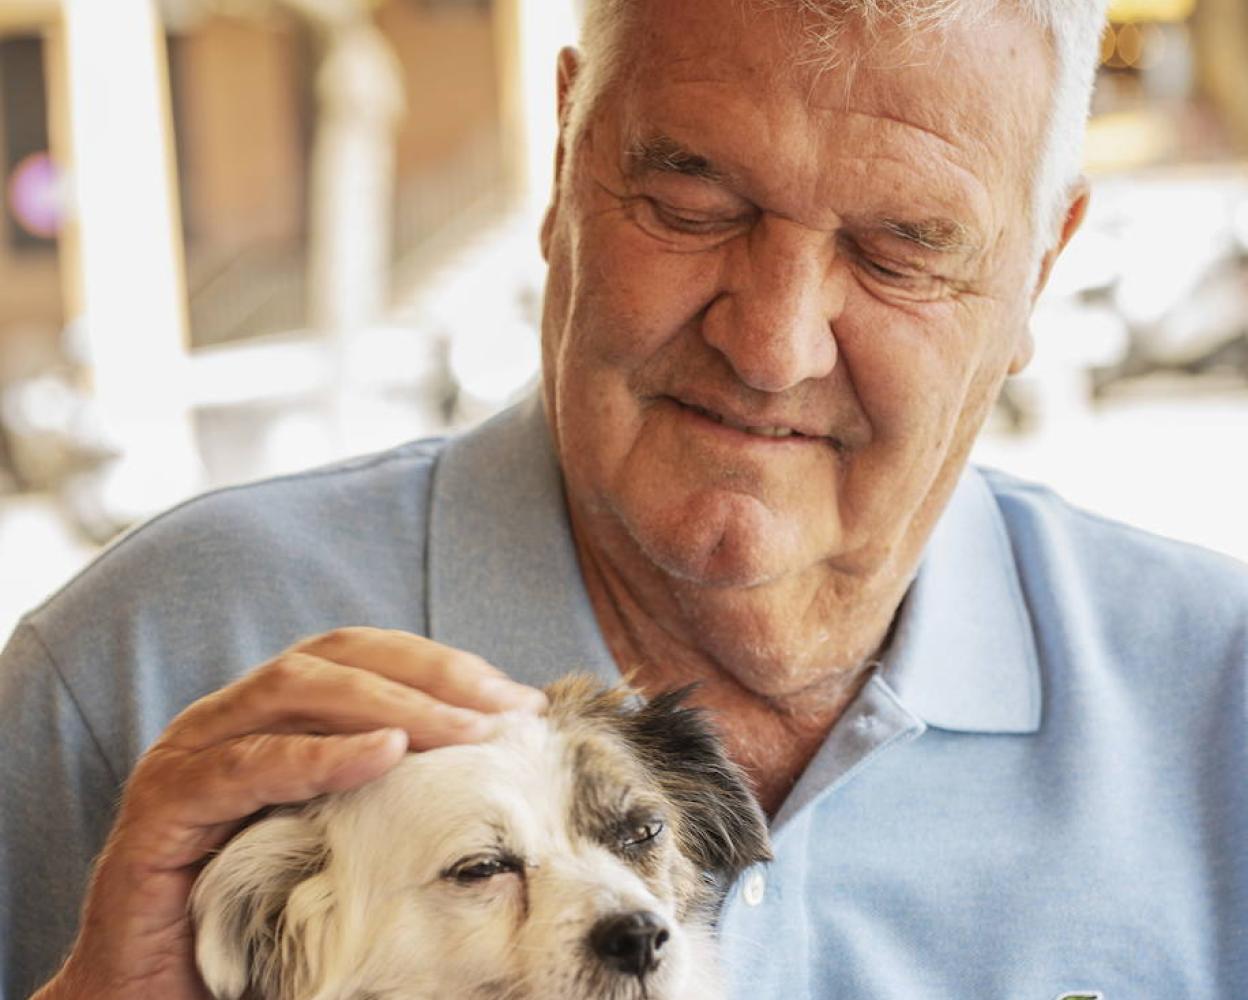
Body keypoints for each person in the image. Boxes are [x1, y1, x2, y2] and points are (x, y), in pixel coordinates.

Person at [3, 0, 1245, 996]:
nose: (772, 343)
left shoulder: (1217, 698)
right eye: (693, 200)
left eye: (900, 248)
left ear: (1042, 274)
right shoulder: (144, 667)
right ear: (565, 159)